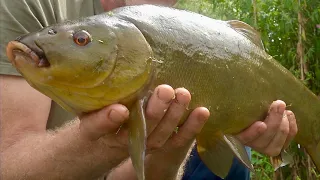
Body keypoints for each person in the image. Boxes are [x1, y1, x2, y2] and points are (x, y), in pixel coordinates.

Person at [0, 0, 298, 179]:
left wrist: (174, 143)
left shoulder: (173, 25)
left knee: (231, 162)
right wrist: (108, 142)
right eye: (81, 40)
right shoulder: (32, 6)